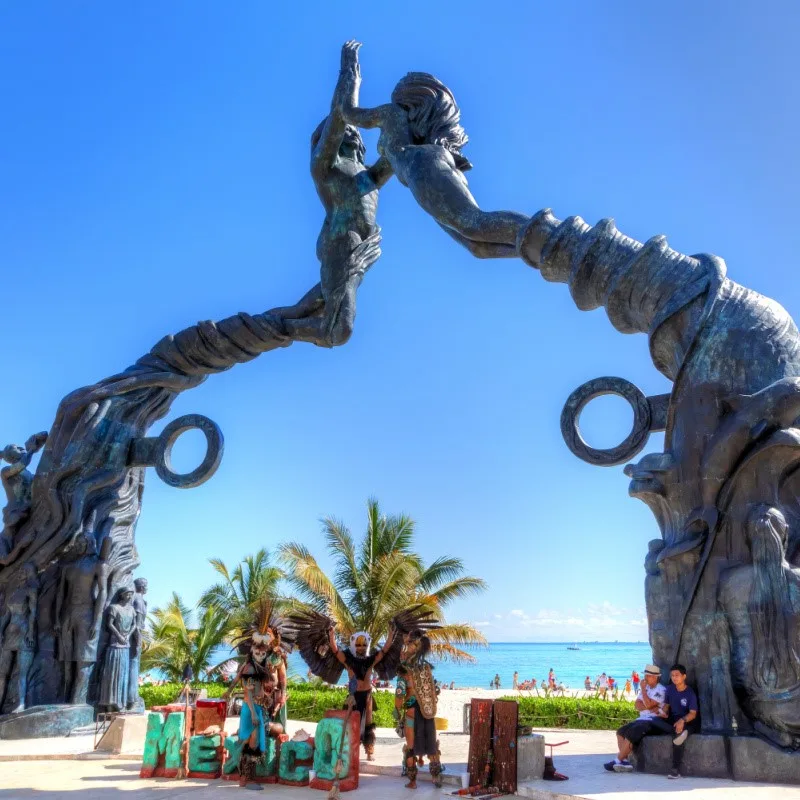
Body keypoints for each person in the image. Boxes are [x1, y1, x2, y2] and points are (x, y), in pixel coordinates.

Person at [336, 41, 530, 260]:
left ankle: (554, 237)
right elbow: (375, 177)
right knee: (478, 248)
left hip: (426, 168)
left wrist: (349, 71)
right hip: (427, 172)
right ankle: (540, 253)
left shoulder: (393, 115)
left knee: (475, 224)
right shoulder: (402, 149)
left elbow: (348, 112)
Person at [226, 600, 291, 790]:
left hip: (262, 708)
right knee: (254, 739)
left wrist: (280, 695)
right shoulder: (250, 666)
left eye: (265, 646)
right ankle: (246, 776)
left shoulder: (270, 660)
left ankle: (246, 776)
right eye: (258, 648)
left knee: (260, 737)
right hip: (254, 708)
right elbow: (247, 691)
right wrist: (254, 712)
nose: (261, 651)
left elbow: (281, 680)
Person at [395, 629, 443, 789]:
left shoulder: (404, 671)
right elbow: (433, 690)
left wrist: (396, 711)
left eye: (407, 644)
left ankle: (413, 781)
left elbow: (400, 693)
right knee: (431, 745)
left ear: (414, 647)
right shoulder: (425, 669)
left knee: (410, 747)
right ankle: (436, 777)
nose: (404, 647)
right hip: (428, 712)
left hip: (411, 713)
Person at [604, 664, 668, 773]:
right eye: (645, 675)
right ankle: (624, 761)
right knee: (620, 732)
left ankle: (617, 760)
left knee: (633, 732)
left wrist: (643, 691)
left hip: (653, 721)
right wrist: (650, 706)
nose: (645, 678)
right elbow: (637, 705)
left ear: (656, 677)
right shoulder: (646, 688)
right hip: (642, 719)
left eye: (648, 676)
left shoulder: (661, 690)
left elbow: (647, 704)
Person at [663, 664, 699, 778]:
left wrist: (682, 720)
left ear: (684, 677)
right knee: (653, 721)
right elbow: (666, 706)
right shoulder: (669, 689)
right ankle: (684, 732)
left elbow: (693, 714)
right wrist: (661, 713)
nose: (674, 677)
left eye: (677, 675)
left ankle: (675, 769)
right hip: (673, 719)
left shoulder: (690, 693)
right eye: (672, 675)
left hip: (687, 719)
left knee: (678, 736)